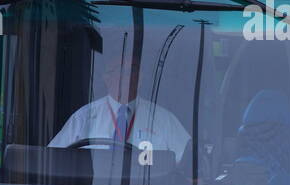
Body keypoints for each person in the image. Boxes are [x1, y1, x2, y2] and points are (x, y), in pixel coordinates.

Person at [50, 50, 190, 161]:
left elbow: (189, 161)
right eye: (120, 71)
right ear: (106, 78)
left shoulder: (163, 119)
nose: (127, 77)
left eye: (132, 71)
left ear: (140, 78)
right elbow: (53, 158)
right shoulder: (83, 117)